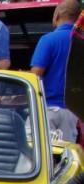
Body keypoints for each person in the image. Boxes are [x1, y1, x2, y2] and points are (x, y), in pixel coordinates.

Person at [31, 0, 81, 142]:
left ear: (57, 15)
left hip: (48, 109)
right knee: (66, 157)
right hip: (72, 113)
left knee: (44, 156)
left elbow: (36, 75)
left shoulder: (48, 40)